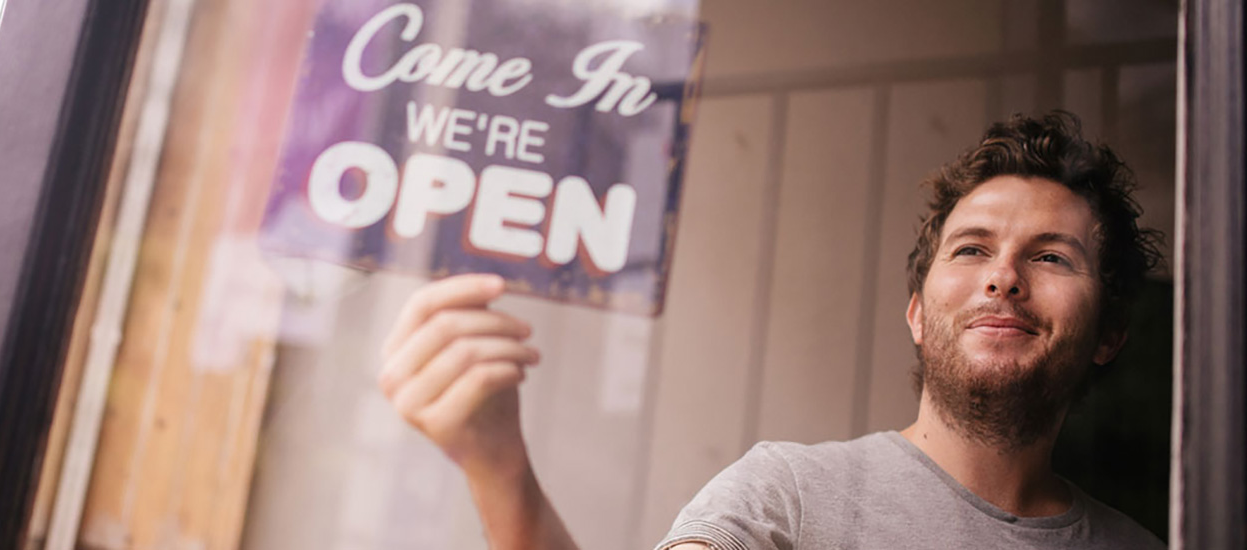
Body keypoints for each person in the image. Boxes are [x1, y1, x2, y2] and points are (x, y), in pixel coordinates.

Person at [376, 112, 1166, 549]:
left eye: (1053, 256)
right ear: (918, 314)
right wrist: (502, 473)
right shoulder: (784, 497)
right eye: (972, 249)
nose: (1004, 276)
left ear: (1109, 334)